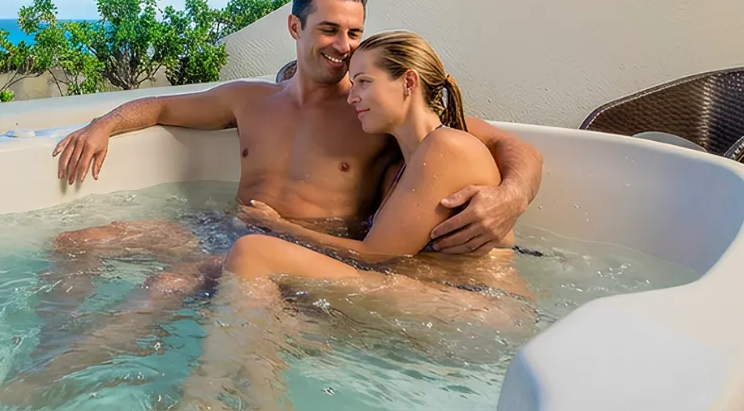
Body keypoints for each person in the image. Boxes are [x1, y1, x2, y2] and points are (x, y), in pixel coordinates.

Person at [0, 0, 541, 403]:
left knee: (170, 285)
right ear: (295, 28)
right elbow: (161, 105)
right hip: (231, 231)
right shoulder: (253, 100)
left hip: (307, 246)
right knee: (77, 243)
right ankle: (53, 351)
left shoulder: (374, 108)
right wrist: (104, 124)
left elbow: (509, 147)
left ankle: (36, 387)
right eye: (330, 29)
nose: (345, 46)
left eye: (354, 33)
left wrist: (510, 196)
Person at [181, 30, 533, 406]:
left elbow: (375, 255)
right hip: (440, 301)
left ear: (408, 82)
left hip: (481, 311)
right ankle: (261, 398)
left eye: (364, 82)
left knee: (254, 253)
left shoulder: (447, 147)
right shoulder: (398, 165)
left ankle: (202, 393)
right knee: (270, 312)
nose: (352, 97)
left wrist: (279, 226)